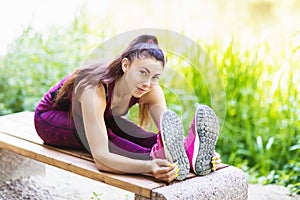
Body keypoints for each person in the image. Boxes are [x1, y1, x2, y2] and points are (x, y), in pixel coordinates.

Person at [34, 34, 222, 183]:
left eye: (155, 76)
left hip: (99, 118)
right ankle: (154, 157)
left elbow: (167, 135)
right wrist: (149, 167)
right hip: (50, 118)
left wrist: (191, 148)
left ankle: (188, 155)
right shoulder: (95, 90)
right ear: (125, 65)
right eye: (142, 72)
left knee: (140, 135)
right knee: (109, 137)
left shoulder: (151, 90)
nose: (148, 83)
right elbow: (101, 158)